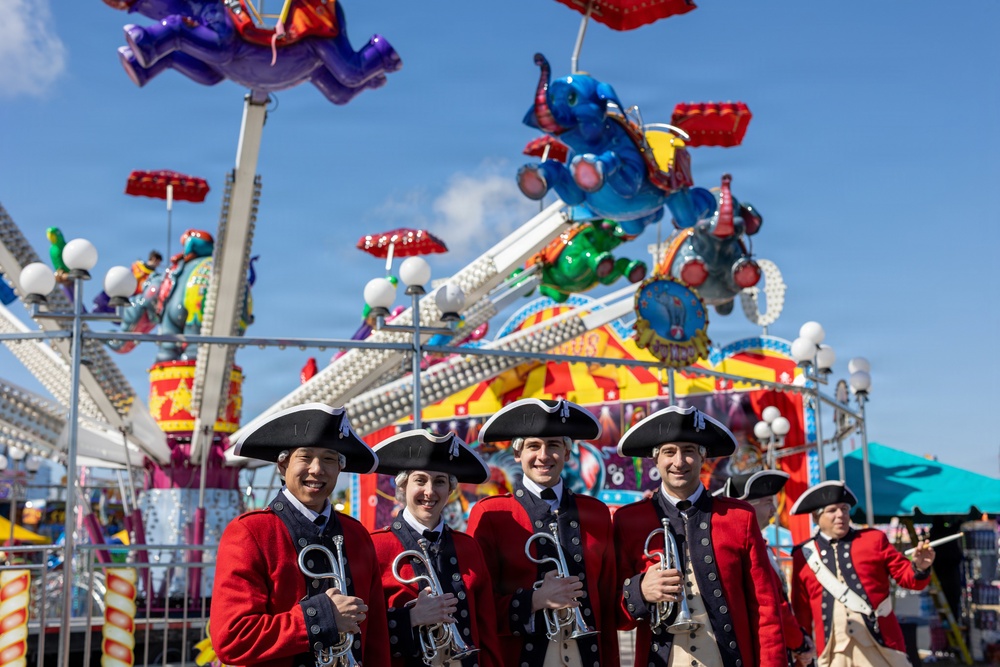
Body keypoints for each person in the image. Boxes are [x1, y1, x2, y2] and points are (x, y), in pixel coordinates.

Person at [210, 403, 390, 667]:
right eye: (305, 457)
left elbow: (375, 637)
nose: (317, 469)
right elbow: (232, 639)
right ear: (283, 466)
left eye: (329, 459)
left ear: (340, 469)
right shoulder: (250, 532)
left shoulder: (357, 535)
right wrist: (323, 617)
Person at [613, 405, 787, 667]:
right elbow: (614, 615)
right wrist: (639, 592)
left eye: (689, 451)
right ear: (655, 459)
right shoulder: (628, 521)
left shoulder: (740, 517)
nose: (679, 462)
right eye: (669, 452)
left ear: (703, 456)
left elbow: (766, 611)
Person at [466, 398, 620, 667]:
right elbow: (478, 609)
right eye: (533, 446)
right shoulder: (492, 514)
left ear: (568, 453)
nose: (544, 455)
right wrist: (534, 600)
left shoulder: (596, 514)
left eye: (554, 445)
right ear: (517, 454)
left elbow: (606, 607)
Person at [370, 429, 502, 667]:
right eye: (420, 480)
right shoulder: (375, 546)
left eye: (440, 482)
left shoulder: (468, 547)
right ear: (403, 487)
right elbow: (362, 631)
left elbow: (487, 632)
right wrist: (410, 618)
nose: (430, 491)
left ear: (450, 490)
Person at [790, 480, 936, 667]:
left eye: (844, 508)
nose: (841, 515)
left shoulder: (874, 539)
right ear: (816, 517)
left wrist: (920, 567)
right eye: (832, 510)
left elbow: (908, 578)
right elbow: (801, 609)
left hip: (881, 647)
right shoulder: (804, 554)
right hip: (832, 652)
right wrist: (804, 652)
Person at [716, 470, 816, 666]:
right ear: (748, 506)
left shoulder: (759, 545)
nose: (774, 510)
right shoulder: (747, 550)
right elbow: (774, 606)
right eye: (769, 502)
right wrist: (801, 643)